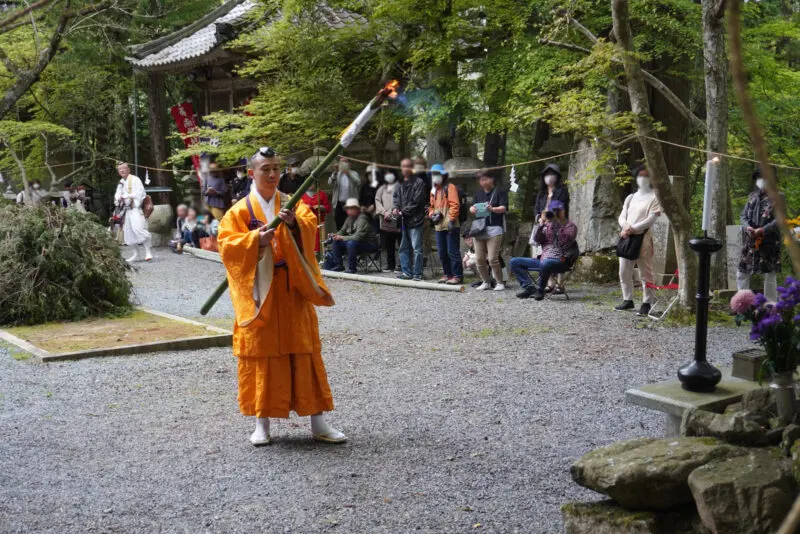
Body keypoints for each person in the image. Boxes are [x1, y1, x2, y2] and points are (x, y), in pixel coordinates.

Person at [217, 146, 345, 446]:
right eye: (266, 169)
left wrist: (294, 224)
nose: (273, 174)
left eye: (276, 168)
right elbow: (227, 246)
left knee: (304, 351)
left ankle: (318, 421)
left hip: (292, 290)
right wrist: (255, 241)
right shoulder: (239, 211)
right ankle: (261, 422)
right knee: (262, 355)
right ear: (252, 173)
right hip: (262, 294)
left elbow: (310, 229)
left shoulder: (292, 203)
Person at [615, 164, 662, 316]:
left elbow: (651, 219)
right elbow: (622, 215)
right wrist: (625, 226)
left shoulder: (654, 197)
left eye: (646, 175)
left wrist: (632, 229)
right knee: (624, 271)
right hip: (627, 238)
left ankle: (647, 302)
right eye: (640, 175)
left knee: (645, 272)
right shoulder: (630, 198)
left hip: (643, 238)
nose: (643, 178)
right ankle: (627, 299)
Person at [511, 200, 578, 300]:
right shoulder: (546, 225)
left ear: (563, 211)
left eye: (557, 211)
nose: (554, 213)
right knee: (514, 262)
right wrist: (541, 225)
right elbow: (536, 240)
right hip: (543, 260)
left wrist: (556, 224)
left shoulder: (570, 226)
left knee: (546, 263)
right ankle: (529, 288)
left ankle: (540, 290)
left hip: (561, 261)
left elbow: (565, 240)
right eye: (552, 211)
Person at [737, 166, 784, 303]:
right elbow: (743, 215)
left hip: (769, 241)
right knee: (742, 271)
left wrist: (763, 230)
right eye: (758, 177)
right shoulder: (752, 196)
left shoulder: (779, 197)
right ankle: (743, 303)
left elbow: (779, 219)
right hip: (750, 240)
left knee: (769, 274)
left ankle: (771, 305)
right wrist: (747, 227)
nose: (760, 180)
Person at [469, 170, 509, 291]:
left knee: (492, 258)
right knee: (479, 258)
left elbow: (504, 208)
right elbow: (472, 206)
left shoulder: (500, 191)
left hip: (495, 228)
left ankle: (499, 282)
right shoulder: (478, 193)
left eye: (485, 179)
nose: (483, 182)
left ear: (492, 179)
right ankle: (485, 281)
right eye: (481, 180)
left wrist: (493, 209)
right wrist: (472, 209)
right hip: (479, 228)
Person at [323, 198, 380, 274]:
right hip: (357, 242)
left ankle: (352, 268)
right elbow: (342, 231)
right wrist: (335, 235)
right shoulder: (349, 219)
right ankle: (338, 265)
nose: (348, 211)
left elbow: (358, 237)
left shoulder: (362, 219)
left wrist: (341, 237)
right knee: (336, 241)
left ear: (356, 209)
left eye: (351, 209)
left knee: (351, 243)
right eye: (347, 209)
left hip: (369, 244)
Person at [393, 158, 428, 281]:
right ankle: (406, 272)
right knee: (403, 248)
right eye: (403, 166)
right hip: (403, 220)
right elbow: (396, 198)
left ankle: (418, 273)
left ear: (412, 167)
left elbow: (417, 201)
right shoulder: (399, 183)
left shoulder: (419, 182)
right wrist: (396, 209)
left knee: (417, 248)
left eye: (408, 166)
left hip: (416, 219)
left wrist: (404, 211)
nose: (405, 168)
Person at [429, 164, 463, 284]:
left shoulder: (450, 187)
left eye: (437, 174)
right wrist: (431, 214)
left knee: (452, 251)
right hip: (439, 225)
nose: (435, 176)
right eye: (433, 174)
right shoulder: (433, 190)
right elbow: (431, 207)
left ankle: (457, 276)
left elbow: (455, 205)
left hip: (451, 224)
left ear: (443, 175)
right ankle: (448, 274)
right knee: (442, 252)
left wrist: (450, 219)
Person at [114, 162, 152, 262]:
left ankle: (148, 252)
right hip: (126, 211)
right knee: (128, 232)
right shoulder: (121, 182)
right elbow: (117, 194)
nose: (122, 170)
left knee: (139, 229)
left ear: (128, 169)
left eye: (123, 168)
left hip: (135, 208)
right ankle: (136, 254)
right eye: (120, 169)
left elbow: (140, 193)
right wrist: (118, 199)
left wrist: (128, 196)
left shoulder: (135, 179)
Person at [375, 171, 401, 273]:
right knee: (389, 243)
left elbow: (400, 200)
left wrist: (391, 212)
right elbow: (377, 200)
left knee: (401, 243)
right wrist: (384, 212)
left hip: (398, 218)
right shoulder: (382, 188)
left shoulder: (399, 186)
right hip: (385, 219)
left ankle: (402, 265)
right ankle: (390, 265)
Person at [329, 157, 361, 230]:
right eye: (341, 162)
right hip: (339, 203)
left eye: (345, 162)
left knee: (352, 225)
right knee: (339, 223)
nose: (343, 164)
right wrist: (335, 172)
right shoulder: (337, 174)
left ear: (349, 164)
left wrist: (348, 173)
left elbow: (358, 183)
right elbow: (330, 183)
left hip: (351, 203)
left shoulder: (354, 173)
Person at [301, 180, 331, 253]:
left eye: (312, 184)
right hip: (305, 222)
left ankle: (318, 254)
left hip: (319, 222)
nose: (311, 186)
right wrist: (305, 207)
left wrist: (320, 207)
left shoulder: (322, 194)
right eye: (309, 184)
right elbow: (298, 209)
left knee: (318, 240)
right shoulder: (302, 195)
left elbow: (328, 208)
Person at [359, 164, 381, 229]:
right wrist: (362, 206)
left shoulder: (380, 186)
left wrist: (374, 206)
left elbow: (382, 199)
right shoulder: (364, 187)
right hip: (366, 212)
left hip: (377, 212)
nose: (371, 176)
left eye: (373, 174)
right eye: (369, 174)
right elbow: (360, 199)